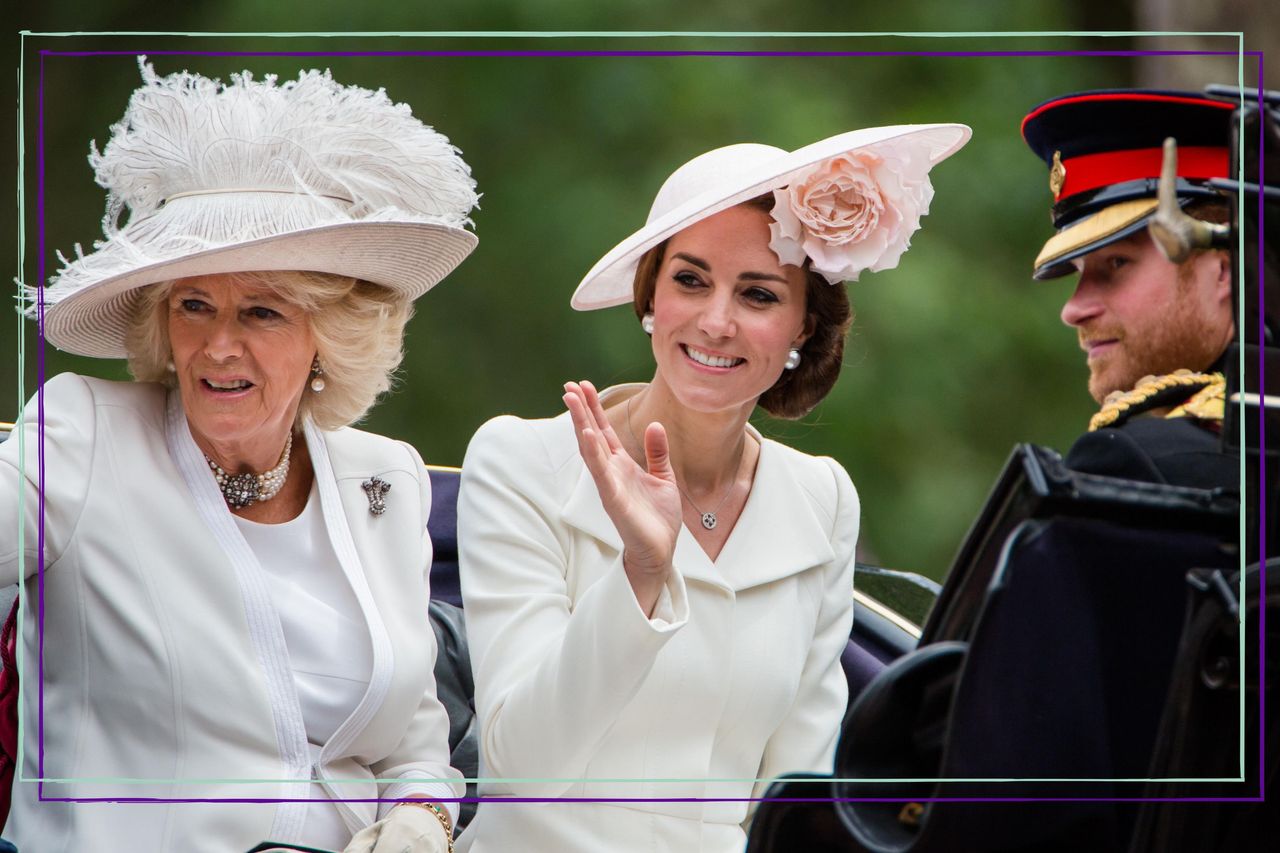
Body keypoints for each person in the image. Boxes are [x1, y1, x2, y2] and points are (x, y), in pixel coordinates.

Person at [0, 60, 479, 853]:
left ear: (328, 339)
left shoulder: (383, 477)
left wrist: (420, 823)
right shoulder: (83, 435)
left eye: (261, 310)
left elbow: (418, 748)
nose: (220, 345)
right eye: (195, 306)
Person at [455, 123, 969, 851]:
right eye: (690, 280)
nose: (716, 321)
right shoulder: (522, 461)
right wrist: (639, 574)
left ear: (802, 329)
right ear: (650, 300)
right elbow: (520, 765)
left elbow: (800, 787)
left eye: (758, 294)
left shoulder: (821, 498)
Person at [1021, 89, 1239, 491]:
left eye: (1117, 264)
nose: (1072, 310)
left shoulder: (1133, 461)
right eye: (1078, 272)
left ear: (1223, 271)